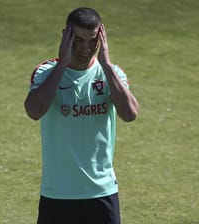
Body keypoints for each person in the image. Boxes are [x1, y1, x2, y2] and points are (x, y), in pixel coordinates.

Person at [24, 7, 139, 224]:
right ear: (66, 36)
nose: (86, 48)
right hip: (58, 192)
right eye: (79, 40)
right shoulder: (46, 72)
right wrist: (62, 64)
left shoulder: (111, 74)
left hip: (101, 191)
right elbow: (34, 111)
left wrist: (105, 64)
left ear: (101, 37)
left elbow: (130, 113)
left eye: (92, 40)